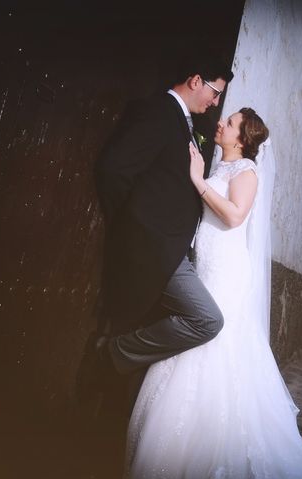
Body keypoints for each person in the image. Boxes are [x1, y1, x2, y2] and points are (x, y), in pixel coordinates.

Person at [124, 108, 302, 479]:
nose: (222, 123)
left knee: (212, 346)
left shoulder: (245, 172)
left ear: (241, 139)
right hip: (205, 265)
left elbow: (235, 216)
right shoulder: (219, 168)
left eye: (231, 122)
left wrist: (196, 180)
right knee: (196, 336)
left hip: (226, 272)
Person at [77, 56, 234, 404]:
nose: (216, 102)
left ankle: (116, 385)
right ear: (195, 80)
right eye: (215, 92)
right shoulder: (158, 111)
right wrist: (135, 229)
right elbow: (114, 170)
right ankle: (110, 355)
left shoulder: (188, 123)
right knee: (206, 320)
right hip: (154, 247)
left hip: (172, 249)